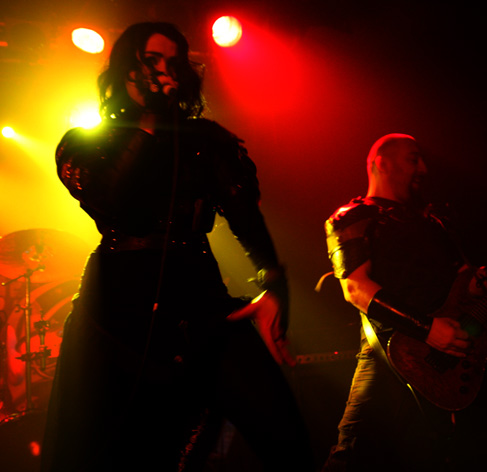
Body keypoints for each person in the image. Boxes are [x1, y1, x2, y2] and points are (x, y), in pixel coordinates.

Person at [41, 22, 313, 472]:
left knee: (283, 432)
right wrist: (148, 124)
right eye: (151, 61)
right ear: (125, 68)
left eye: (173, 62)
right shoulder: (88, 143)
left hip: (199, 293)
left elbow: (245, 217)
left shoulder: (205, 140)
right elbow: (116, 201)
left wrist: (273, 281)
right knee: (124, 448)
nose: (163, 72)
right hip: (118, 307)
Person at [320, 134, 487, 471]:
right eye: (413, 159)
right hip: (391, 354)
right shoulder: (352, 217)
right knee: (353, 454)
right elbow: (355, 288)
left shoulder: (433, 222)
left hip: (457, 355)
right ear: (382, 163)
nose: (424, 168)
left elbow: (469, 283)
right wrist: (427, 329)